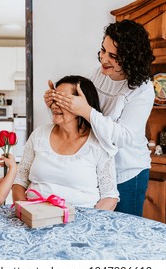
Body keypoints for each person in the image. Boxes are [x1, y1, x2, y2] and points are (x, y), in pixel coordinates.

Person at [44, 20, 155, 216]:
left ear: (130, 59)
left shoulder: (143, 90)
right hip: (99, 166)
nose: (103, 59)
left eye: (113, 56)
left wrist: (86, 110)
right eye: (103, 50)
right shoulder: (99, 74)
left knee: (123, 231)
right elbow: (79, 113)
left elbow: (122, 136)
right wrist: (57, 103)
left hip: (126, 171)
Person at [12, 75, 119, 210]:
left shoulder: (98, 143)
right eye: (54, 98)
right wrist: (26, 213)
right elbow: (19, 183)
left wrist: (88, 226)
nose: (55, 105)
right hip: (36, 218)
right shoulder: (39, 135)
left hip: (81, 222)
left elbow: (109, 197)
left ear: (82, 105)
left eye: (63, 100)